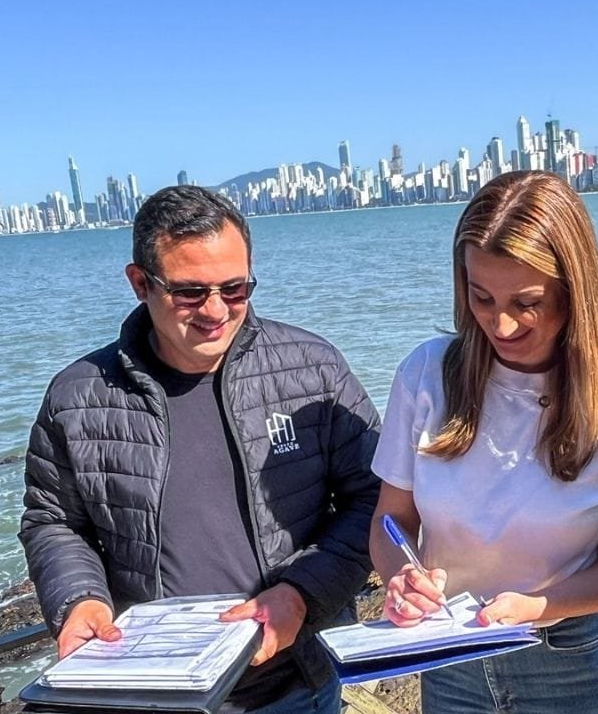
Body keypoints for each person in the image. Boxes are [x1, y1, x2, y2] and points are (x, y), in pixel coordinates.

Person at [19, 185, 381, 714]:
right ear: (140, 283)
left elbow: (374, 498)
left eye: (235, 288)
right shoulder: (77, 396)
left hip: (295, 683)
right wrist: (80, 601)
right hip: (149, 688)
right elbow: (55, 522)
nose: (215, 311)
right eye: (189, 292)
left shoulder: (314, 368)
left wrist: (301, 593)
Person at [369, 170, 598, 713]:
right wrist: (400, 580)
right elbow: (389, 521)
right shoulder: (425, 373)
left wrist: (539, 605)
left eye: (527, 302)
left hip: (572, 664)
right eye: (481, 297)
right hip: (449, 658)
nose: (501, 325)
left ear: (573, 292)